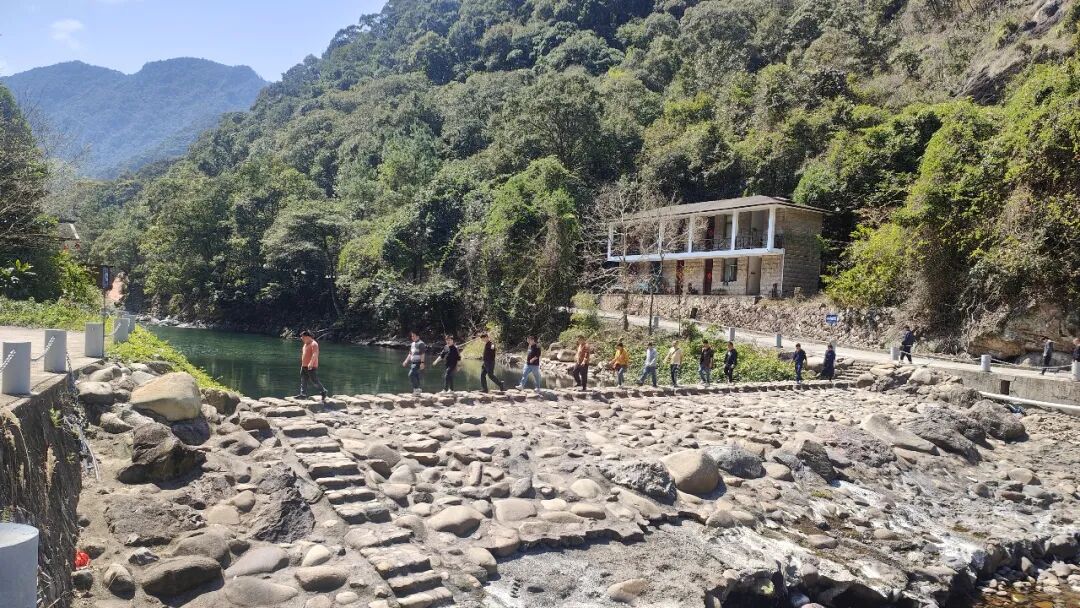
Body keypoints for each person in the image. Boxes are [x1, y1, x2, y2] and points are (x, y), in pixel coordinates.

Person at [298, 330, 327, 401]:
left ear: (307, 337)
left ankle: (323, 391)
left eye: (303, 338)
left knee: (314, 381)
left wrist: (311, 363)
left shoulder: (314, 344)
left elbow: (315, 354)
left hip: (311, 367)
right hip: (304, 366)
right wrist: (302, 364)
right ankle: (303, 394)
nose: (302, 339)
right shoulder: (305, 344)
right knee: (303, 380)